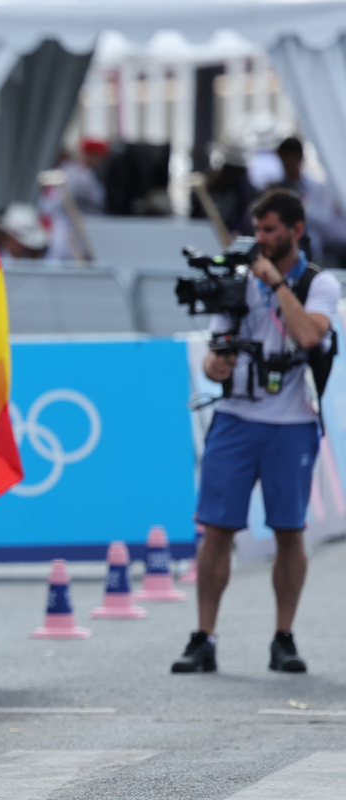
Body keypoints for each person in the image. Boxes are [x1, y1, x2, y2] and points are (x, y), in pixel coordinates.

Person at [173, 189, 340, 675]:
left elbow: (310, 335)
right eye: (258, 230)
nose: (260, 239)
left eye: (270, 230)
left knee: (290, 531)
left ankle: (283, 638)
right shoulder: (240, 282)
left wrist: (277, 287)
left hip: (292, 425)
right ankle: (204, 636)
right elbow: (212, 354)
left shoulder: (318, 283)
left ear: (295, 231)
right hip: (237, 420)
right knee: (216, 529)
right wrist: (216, 364)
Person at [275, 137, 346, 266]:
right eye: (285, 162)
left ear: (300, 158)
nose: (289, 167)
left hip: (316, 249)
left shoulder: (316, 187)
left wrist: (304, 209)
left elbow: (325, 218)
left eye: (292, 161)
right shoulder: (277, 189)